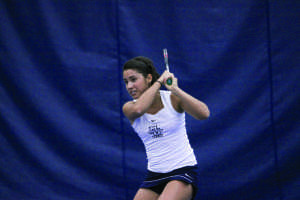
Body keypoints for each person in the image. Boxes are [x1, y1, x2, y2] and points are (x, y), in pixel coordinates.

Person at [122, 56, 210, 200]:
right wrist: (159, 82)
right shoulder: (129, 108)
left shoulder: (172, 99)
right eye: (126, 82)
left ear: (148, 78)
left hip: (182, 170)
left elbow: (204, 114)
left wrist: (176, 90)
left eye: (133, 79)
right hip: (155, 174)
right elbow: (139, 109)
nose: (129, 86)